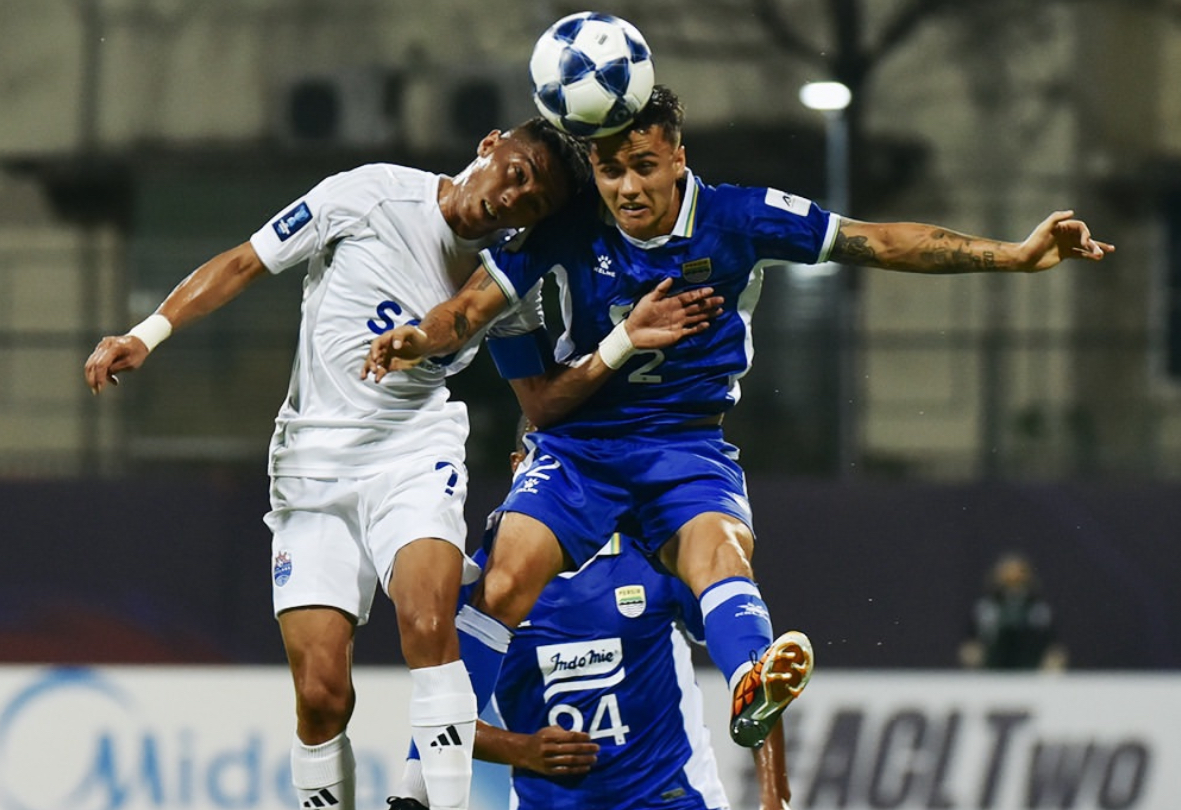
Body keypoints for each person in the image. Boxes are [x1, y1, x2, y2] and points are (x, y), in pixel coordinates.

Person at [363, 85, 1114, 754]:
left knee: (719, 552)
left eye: (644, 166)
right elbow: (469, 310)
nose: (627, 187)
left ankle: (752, 682)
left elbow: (878, 240)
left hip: (685, 444)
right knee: (504, 581)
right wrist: (421, 337)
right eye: (610, 170)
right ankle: (436, 746)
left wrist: (1014, 256)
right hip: (578, 447)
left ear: (677, 157)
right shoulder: (565, 228)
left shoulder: (739, 218)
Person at [83, 117, 721, 810]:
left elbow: (540, 402)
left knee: (427, 623)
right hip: (310, 468)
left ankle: (431, 803)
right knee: (322, 696)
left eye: (533, 204)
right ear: (489, 144)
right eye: (515, 175)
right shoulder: (370, 196)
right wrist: (148, 333)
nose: (512, 200)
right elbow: (243, 262)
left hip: (414, 453)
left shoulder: (501, 280)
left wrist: (623, 341)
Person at [390, 424, 794, 810]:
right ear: (520, 466)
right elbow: (439, 715)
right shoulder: (484, 586)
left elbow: (758, 682)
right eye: (551, 456)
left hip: (674, 799)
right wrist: (522, 749)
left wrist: (776, 798)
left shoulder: (653, 553)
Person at [960, 551, 1068, 671]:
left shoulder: (1038, 609)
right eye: (1007, 571)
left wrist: (1052, 662)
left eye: (1018, 571)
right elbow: (971, 643)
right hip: (993, 670)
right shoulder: (986, 608)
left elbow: (1052, 645)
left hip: (1030, 671)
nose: (1013, 576)